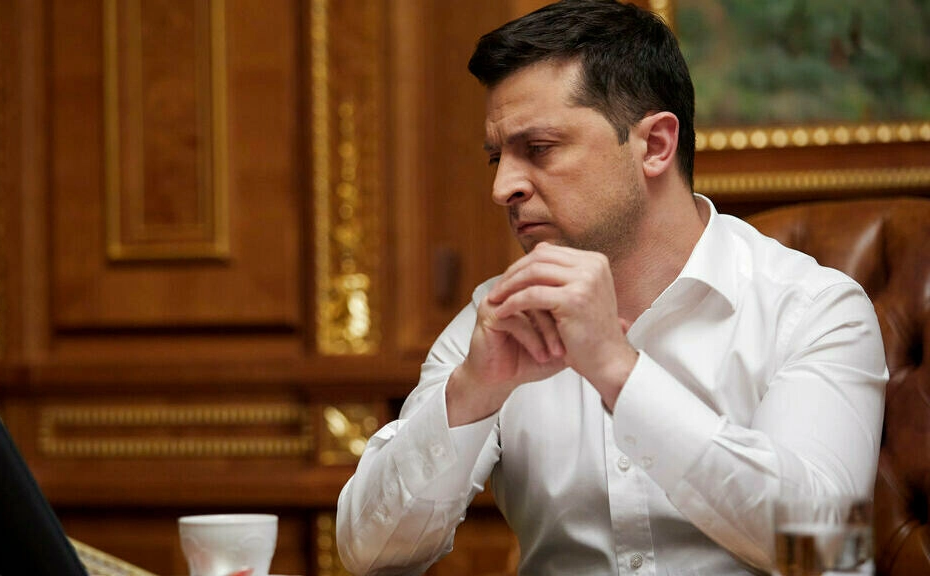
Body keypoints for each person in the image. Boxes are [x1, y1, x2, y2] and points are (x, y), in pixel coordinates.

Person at [336, 1, 888, 574]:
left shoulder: (814, 310)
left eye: (539, 148)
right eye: (497, 157)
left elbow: (824, 553)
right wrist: (472, 392)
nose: (502, 187)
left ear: (655, 145)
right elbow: (367, 554)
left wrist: (619, 373)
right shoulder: (496, 318)